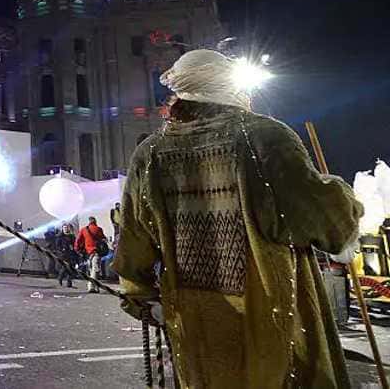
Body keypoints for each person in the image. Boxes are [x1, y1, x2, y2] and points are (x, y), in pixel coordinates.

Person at [114, 49, 362, 388]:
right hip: (273, 316)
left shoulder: (150, 153)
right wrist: (340, 193)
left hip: (195, 324)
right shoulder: (265, 136)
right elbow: (324, 220)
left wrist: (144, 299)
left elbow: (133, 244)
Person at [74, 216, 108, 293]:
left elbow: (78, 240)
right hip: (96, 252)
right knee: (95, 270)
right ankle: (91, 286)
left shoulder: (83, 230)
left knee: (90, 269)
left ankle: (95, 286)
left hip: (87, 253)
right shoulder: (99, 229)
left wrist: (77, 250)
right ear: (95, 221)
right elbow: (103, 239)